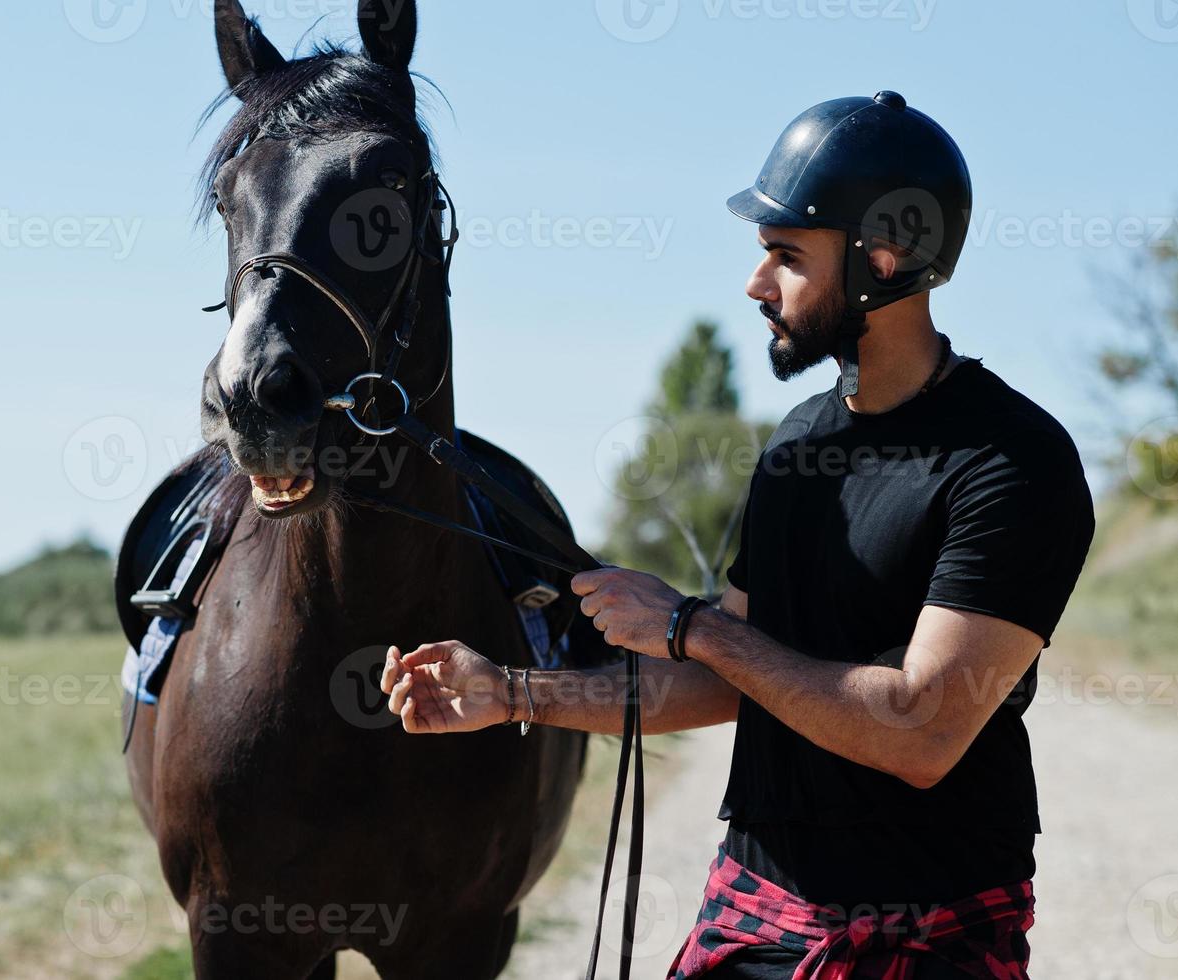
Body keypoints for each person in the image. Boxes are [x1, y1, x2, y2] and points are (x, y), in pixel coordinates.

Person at [378, 92, 1096, 978]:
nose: (756, 286)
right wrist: (511, 692)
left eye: (785, 256)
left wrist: (692, 624)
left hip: (931, 938)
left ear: (886, 254)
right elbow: (727, 685)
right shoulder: (797, 444)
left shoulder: (1012, 462)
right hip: (753, 913)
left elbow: (921, 732)